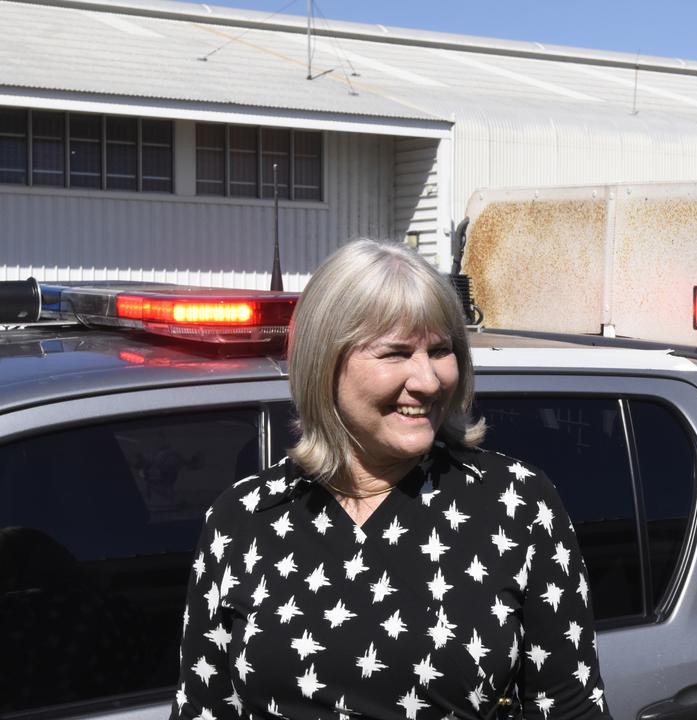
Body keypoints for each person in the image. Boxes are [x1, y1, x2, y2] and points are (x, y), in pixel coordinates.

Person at [171, 240, 611, 720]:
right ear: (324, 364)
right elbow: (203, 709)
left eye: (441, 350)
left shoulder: (516, 504)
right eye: (395, 353)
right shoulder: (243, 518)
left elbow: (573, 709)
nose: (427, 379)